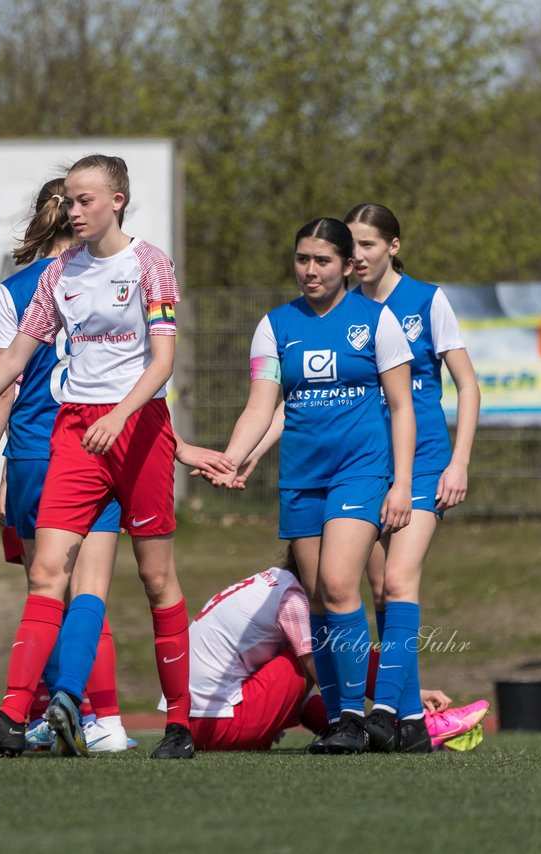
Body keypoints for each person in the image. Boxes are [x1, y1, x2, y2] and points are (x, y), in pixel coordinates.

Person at [0, 153, 233, 760]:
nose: (74, 210)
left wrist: (121, 415)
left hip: (137, 429)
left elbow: (163, 361)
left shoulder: (150, 264)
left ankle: (180, 726)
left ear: (118, 200)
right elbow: (11, 362)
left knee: (155, 578)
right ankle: (12, 715)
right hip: (76, 433)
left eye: (85, 199)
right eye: (69, 201)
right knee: (45, 571)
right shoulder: (57, 273)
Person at [210, 217, 416, 755]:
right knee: (321, 600)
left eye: (323, 260)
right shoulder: (275, 325)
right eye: (302, 259)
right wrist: (233, 457)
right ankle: (336, 716)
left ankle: (352, 715)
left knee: (341, 584)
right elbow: (262, 403)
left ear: (349, 266)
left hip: (362, 471)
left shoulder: (377, 321)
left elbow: (402, 408)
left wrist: (401, 484)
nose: (310, 270)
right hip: (302, 478)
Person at [0, 177, 132, 752]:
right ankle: (100, 717)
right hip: (102, 445)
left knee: (47, 592)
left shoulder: (17, 289)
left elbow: (6, 383)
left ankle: (59, 710)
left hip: (38, 450)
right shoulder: (117, 276)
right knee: (90, 590)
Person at [344, 203, 480, 751]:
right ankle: (411, 725)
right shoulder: (344, 309)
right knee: (379, 591)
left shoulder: (426, 300)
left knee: (399, 582)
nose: (357, 257)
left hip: (424, 463)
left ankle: (386, 714)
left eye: (368, 245)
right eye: (349, 246)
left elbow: (467, 386)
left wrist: (459, 461)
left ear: (393, 246)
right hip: (366, 466)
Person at [168, 553, 489, 752]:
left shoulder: (274, 584)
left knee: (318, 656)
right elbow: (329, 671)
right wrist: (412, 693)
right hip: (224, 726)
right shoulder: (292, 600)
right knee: (324, 653)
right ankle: (414, 722)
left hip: (197, 726)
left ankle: (376, 728)